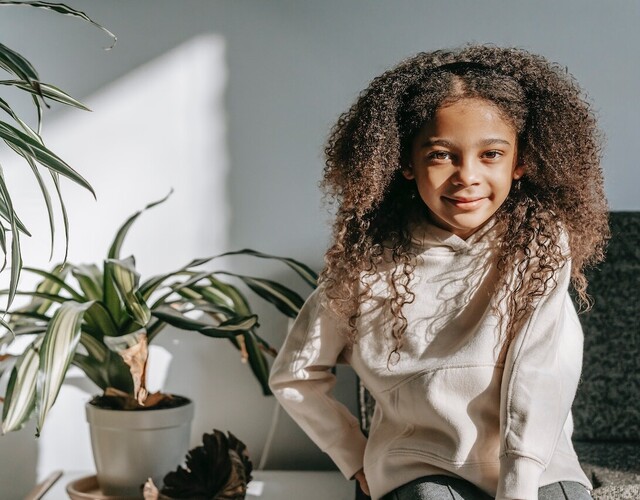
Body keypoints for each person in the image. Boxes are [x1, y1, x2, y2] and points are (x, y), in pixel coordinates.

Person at [269, 45, 609, 500]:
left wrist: (519, 486)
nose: (467, 175)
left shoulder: (542, 250)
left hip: (538, 468)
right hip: (421, 469)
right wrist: (355, 458)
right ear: (405, 162)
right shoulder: (366, 265)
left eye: (491, 154)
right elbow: (294, 376)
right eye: (441, 155)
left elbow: (541, 374)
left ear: (521, 161)